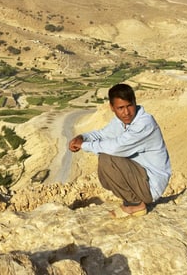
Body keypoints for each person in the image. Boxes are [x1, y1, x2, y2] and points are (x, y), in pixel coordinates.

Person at [68, 83, 171, 218]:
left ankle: (135, 204)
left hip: (150, 184)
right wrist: (82, 137)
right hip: (140, 177)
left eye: (129, 106)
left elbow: (117, 147)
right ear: (112, 108)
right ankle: (131, 201)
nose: (126, 112)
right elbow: (102, 134)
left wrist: (84, 146)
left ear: (135, 102)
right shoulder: (120, 121)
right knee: (105, 168)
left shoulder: (144, 123)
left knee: (108, 158)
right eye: (120, 108)